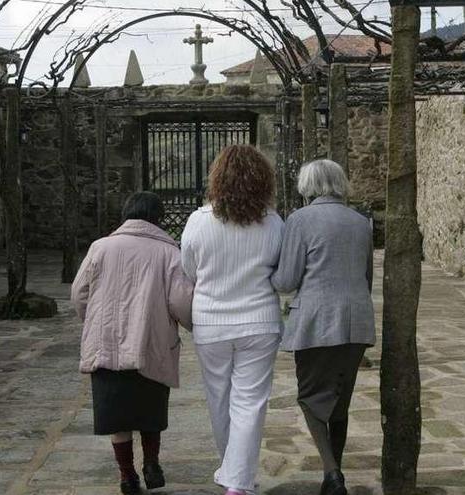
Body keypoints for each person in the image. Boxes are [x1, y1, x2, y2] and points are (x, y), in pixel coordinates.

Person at [71, 192, 194, 495]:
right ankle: (151, 464)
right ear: (158, 217)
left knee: (117, 417)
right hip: (150, 344)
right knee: (150, 411)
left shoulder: (100, 248)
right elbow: (181, 301)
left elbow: (79, 293)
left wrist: (93, 321)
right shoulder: (169, 253)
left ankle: (127, 476)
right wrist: (192, 325)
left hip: (107, 344)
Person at [180, 145, 284, 495]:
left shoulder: (198, 221)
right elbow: (279, 270)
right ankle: (235, 478)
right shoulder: (274, 223)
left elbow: (188, 270)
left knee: (219, 398)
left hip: (211, 322)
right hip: (260, 321)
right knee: (250, 403)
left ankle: (234, 475)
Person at [271, 159, 376, 495]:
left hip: (315, 321)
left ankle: (332, 473)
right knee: (340, 401)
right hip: (356, 320)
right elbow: (367, 278)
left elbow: (287, 280)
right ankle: (336, 470)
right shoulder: (362, 222)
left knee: (310, 397)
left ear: (308, 185)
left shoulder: (300, 220)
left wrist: (263, 273)